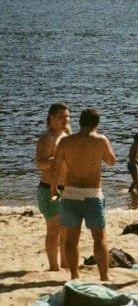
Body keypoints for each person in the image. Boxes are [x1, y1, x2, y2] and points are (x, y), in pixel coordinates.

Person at [48, 107, 117, 282]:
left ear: (79, 122)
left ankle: (74, 274)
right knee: (99, 237)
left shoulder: (66, 141)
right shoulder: (101, 140)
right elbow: (111, 161)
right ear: (97, 124)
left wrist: (53, 189)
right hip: (92, 194)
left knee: (72, 238)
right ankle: (104, 276)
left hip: (70, 193)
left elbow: (55, 167)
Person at [34, 103, 70, 271]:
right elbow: (40, 164)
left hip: (66, 188)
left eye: (68, 116)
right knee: (53, 230)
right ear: (52, 118)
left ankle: (65, 262)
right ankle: (53, 267)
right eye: (62, 116)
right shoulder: (46, 138)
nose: (66, 119)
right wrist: (57, 158)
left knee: (66, 230)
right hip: (48, 188)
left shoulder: (66, 134)